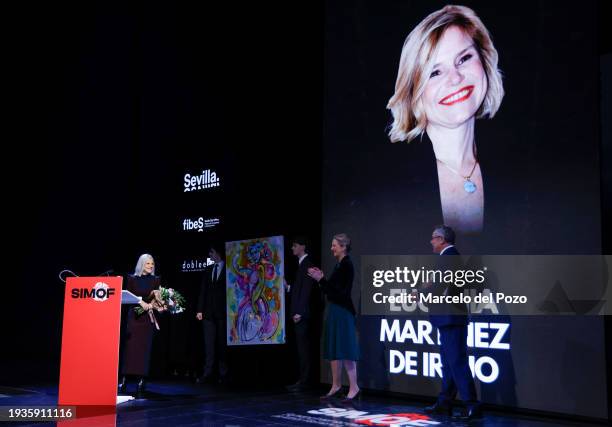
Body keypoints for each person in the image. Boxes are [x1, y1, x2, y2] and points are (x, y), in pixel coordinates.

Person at [387, 5, 504, 234]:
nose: (456, 78)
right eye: (434, 72)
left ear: (484, 61)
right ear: (413, 94)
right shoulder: (390, 183)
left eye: (464, 58)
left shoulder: (523, 165)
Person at [425, 225, 481, 420]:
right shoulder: (449, 257)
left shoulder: (449, 257)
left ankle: (472, 405)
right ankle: (444, 403)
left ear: (442, 240)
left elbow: (439, 287)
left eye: (433, 238)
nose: (431, 241)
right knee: (448, 364)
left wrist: (421, 293)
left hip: (451, 319)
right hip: (448, 319)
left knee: (457, 363)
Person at [308, 233, 360, 402]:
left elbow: (340, 294)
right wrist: (321, 280)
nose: (332, 248)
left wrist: (322, 280)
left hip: (343, 311)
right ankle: (336, 385)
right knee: (335, 348)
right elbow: (331, 290)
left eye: (334, 245)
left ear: (343, 247)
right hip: (335, 310)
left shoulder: (347, 265)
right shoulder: (339, 265)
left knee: (345, 348)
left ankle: (354, 387)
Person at [119, 253, 162, 396]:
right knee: (130, 350)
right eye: (148, 263)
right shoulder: (131, 279)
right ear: (141, 264)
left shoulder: (156, 280)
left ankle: (141, 381)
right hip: (134, 318)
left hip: (147, 320)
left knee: (144, 350)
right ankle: (124, 380)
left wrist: (153, 304)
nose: (150, 266)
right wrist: (140, 301)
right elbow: (126, 295)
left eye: (152, 264)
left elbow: (157, 298)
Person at [285, 236, 317, 392]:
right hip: (299, 313)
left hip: (302, 314)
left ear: (302, 247)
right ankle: (303, 380)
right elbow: (299, 290)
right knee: (301, 348)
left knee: (304, 348)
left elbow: (307, 291)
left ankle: (305, 381)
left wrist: (300, 312)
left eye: (295, 245)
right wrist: (289, 287)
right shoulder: (301, 265)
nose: (292, 248)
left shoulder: (307, 264)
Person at [196, 244, 229, 384]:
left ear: (218, 253)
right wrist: (199, 310)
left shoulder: (228, 269)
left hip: (223, 313)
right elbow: (203, 291)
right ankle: (207, 373)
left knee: (222, 344)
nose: (210, 255)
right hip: (208, 313)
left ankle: (223, 373)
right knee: (209, 345)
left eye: (211, 252)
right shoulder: (208, 269)